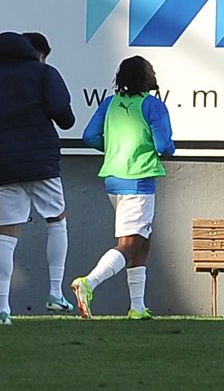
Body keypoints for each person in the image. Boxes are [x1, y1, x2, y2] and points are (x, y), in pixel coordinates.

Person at [0, 31, 77, 325]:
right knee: (57, 220)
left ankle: (2, 307)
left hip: (5, 165)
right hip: (41, 160)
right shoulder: (44, 73)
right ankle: (55, 292)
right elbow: (62, 115)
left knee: (6, 233)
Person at [74, 56, 175, 320]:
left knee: (142, 241)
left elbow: (89, 136)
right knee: (130, 244)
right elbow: (164, 145)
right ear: (144, 77)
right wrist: (165, 150)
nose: (154, 72)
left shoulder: (109, 103)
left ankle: (137, 307)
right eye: (150, 69)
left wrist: (114, 150)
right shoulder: (153, 105)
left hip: (113, 179)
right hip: (139, 180)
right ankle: (89, 282)